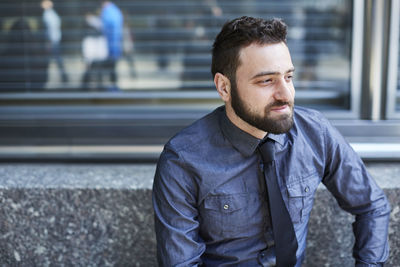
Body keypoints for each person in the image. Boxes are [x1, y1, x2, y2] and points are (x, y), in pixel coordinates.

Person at [152, 16, 391, 266]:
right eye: (266, 81)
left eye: (288, 77)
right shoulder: (183, 159)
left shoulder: (315, 132)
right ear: (224, 87)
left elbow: (372, 206)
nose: (285, 94)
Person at [41, 0, 68, 83]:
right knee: (57, 60)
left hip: (52, 41)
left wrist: (48, 42)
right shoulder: (52, 14)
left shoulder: (48, 15)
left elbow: (50, 30)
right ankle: (64, 78)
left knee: (52, 60)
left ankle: (63, 78)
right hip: (54, 40)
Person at [100, 0, 123, 90]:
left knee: (110, 69)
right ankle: (113, 87)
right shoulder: (115, 11)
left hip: (110, 46)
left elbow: (104, 28)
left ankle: (112, 88)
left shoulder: (108, 12)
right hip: (114, 45)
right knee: (112, 69)